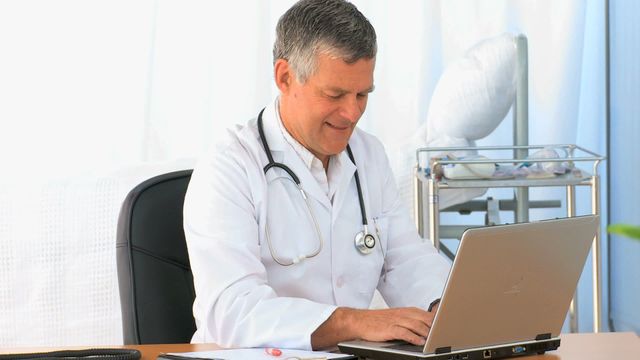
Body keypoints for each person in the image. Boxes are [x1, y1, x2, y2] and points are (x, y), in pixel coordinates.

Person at [183, 0, 450, 350]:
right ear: (285, 76)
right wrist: (353, 320)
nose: (352, 113)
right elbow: (233, 313)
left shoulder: (368, 155)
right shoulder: (229, 167)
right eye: (335, 94)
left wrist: (443, 307)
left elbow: (404, 259)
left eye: (362, 94)